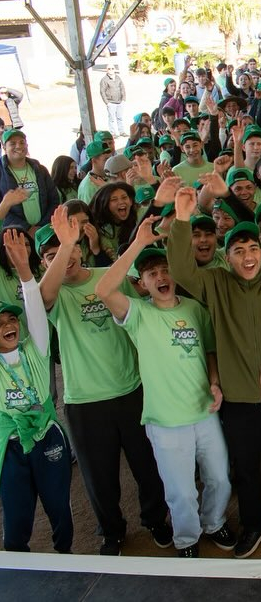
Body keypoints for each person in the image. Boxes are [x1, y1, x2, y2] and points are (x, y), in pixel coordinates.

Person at [167, 191, 261, 558]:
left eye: (253, 249)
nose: (248, 257)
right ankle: (255, 522)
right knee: (245, 469)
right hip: (238, 400)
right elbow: (182, 271)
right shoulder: (215, 283)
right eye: (238, 251)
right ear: (227, 256)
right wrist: (183, 220)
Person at [97, 219, 236, 558]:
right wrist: (139, 243)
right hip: (165, 420)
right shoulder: (138, 314)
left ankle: (214, 523)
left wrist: (215, 382)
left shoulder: (194, 309)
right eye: (151, 274)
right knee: (181, 491)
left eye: (165, 270)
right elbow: (103, 290)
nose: (161, 277)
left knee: (219, 478)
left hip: (205, 411)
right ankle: (186, 539)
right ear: (142, 284)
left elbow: (209, 349)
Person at [39, 205, 172, 556]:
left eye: (69, 248)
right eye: (52, 255)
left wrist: (141, 242)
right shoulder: (52, 294)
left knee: (147, 465)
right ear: (44, 263)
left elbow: (144, 294)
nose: (64, 257)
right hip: (85, 400)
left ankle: (157, 519)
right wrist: (65, 243)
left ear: (82, 247)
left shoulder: (108, 276)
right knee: (99, 476)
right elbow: (41, 298)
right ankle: (111, 531)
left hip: (131, 390)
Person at [0, 229, 73, 554]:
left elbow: (34, 310)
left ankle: (66, 556)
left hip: (46, 435)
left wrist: (25, 273)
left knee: (59, 506)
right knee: (15, 519)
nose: (6, 325)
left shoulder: (36, 346)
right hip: (10, 447)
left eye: (9, 319)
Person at [0, 128, 60, 234]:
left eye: (22, 142)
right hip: (15, 234)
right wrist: (27, 228)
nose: (18, 146)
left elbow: (54, 199)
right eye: (12, 143)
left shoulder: (40, 170)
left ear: (27, 145)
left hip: (43, 232)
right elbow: (3, 210)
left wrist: (41, 227)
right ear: (4, 147)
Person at [100, 66, 127, 137]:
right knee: (111, 118)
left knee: (120, 117)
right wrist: (107, 102)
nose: (111, 70)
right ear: (106, 70)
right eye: (109, 69)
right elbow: (102, 91)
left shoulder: (118, 78)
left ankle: (122, 132)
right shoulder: (104, 80)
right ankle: (113, 133)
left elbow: (122, 88)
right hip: (111, 102)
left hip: (120, 101)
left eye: (112, 68)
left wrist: (124, 99)